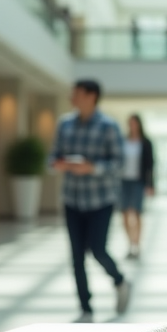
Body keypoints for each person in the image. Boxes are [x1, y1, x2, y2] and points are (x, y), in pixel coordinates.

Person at [50, 79, 131, 318]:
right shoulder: (64, 124)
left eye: (76, 93)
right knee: (76, 255)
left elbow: (119, 164)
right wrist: (60, 164)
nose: (71, 98)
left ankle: (119, 280)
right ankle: (85, 306)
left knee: (97, 249)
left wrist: (92, 168)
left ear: (91, 96)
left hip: (100, 200)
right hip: (72, 199)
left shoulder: (108, 126)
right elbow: (52, 157)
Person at [119, 114, 155, 260]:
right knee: (125, 214)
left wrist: (150, 184)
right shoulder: (123, 141)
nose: (132, 126)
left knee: (137, 213)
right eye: (130, 123)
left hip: (138, 181)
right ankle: (130, 243)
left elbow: (150, 165)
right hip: (123, 181)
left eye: (134, 123)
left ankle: (137, 244)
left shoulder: (146, 143)